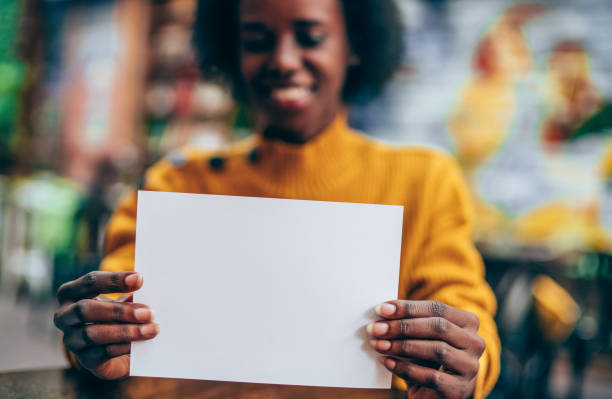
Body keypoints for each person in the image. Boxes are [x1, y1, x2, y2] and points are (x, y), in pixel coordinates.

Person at [53, 1, 500, 398]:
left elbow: (466, 313)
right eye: (256, 40)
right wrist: (96, 339)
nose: (284, 60)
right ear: (232, 51)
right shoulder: (175, 183)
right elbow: (112, 316)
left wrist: (464, 361)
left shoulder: (423, 181)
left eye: (311, 37)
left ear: (355, 45)